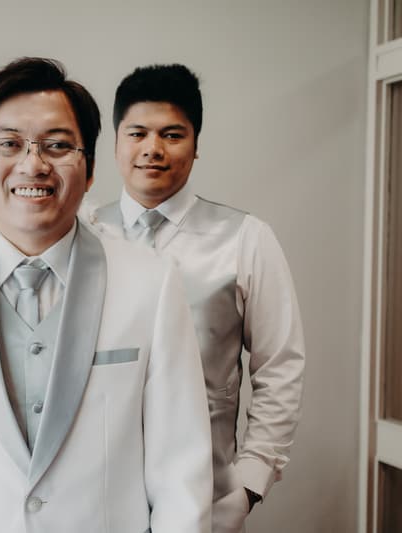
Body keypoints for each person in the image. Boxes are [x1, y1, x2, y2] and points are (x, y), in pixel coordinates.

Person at [0, 57, 213, 533]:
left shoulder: (152, 283)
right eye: (10, 144)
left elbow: (181, 471)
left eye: (57, 145)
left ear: (91, 169)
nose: (33, 164)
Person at [93, 64, 305, 533]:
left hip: (206, 500)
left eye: (172, 134)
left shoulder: (246, 237)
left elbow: (280, 365)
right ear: (116, 144)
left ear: (195, 143)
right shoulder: (84, 234)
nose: (153, 149)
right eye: (138, 133)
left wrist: (249, 483)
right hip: (94, 501)